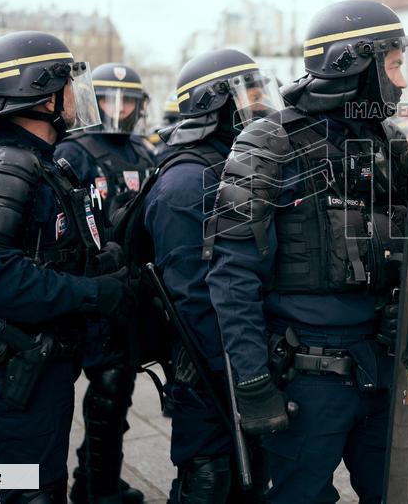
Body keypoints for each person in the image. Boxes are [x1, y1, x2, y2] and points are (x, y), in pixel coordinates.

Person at [206, 0, 408, 503]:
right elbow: (232, 272)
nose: (404, 80)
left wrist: (405, 311)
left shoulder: (389, 142)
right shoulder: (267, 141)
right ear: (356, 64)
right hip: (308, 379)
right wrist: (253, 379)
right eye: (393, 65)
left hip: (384, 365)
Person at [0, 31, 131, 502]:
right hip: (16, 360)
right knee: (32, 492)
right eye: (70, 85)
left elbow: (54, 249)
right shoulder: (6, 166)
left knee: (43, 482)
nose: (76, 97)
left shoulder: (41, 162)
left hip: (43, 355)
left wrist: (104, 263)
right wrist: (95, 293)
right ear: (42, 91)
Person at [131, 49, 279, 502]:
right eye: (249, 95)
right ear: (217, 103)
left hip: (234, 356)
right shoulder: (189, 181)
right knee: (209, 480)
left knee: (246, 477)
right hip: (206, 367)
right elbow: (194, 298)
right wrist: (239, 371)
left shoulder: (227, 162)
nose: (261, 105)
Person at [56, 63, 156, 504]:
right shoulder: (73, 150)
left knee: (118, 395)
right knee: (104, 394)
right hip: (91, 286)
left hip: (133, 290)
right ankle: (95, 489)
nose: (118, 109)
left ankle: (97, 479)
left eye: (127, 99)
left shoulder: (145, 151)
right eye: (109, 98)